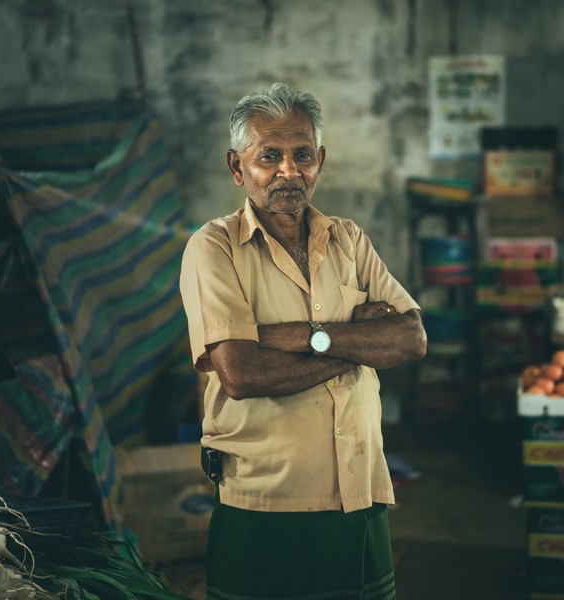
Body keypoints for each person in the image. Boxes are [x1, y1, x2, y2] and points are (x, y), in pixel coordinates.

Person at [179, 83, 426, 600]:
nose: (289, 171)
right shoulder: (213, 247)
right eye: (269, 156)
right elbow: (243, 374)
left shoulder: (349, 239)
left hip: (358, 490)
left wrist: (299, 338)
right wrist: (356, 344)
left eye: (302, 155)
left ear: (321, 161)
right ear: (236, 166)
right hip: (265, 499)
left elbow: (410, 338)